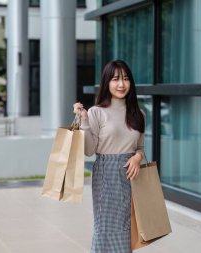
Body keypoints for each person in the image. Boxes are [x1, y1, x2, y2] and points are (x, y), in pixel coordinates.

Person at [73, 59, 145, 253]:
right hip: (107, 174)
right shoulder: (97, 112)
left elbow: (139, 148)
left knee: (125, 229)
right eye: (115, 79)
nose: (121, 84)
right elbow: (89, 150)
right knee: (104, 230)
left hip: (132, 177)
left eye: (125, 79)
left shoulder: (139, 114)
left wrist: (138, 157)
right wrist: (84, 121)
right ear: (107, 82)